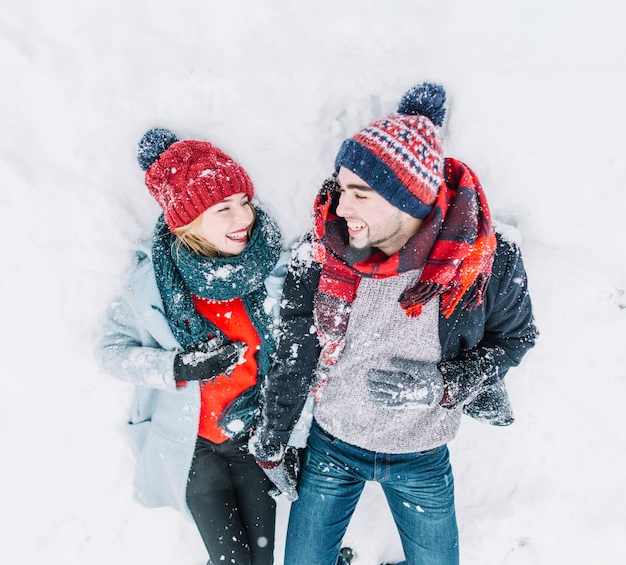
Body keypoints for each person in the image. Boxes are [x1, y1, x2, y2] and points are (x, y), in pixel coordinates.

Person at [250, 83, 539, 565]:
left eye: (360, 194)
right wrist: (274, 439)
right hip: (333, 446)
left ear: (410, 198)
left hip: (422, 454)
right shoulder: (319, 255)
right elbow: (296, 352)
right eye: (342, 190)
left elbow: (517, 337)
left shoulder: (481, 259)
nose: (341, 209)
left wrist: (445, 384)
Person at [96, 128, 286, 565]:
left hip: (249, 438)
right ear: (187, 221)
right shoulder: (150, 287)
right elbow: (111, 351)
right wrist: (177, 366)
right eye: (223, 208)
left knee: (262, 558)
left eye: (244, 202)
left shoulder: (270, 271)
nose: (243, 218)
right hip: (191, 445)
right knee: (232, 561)